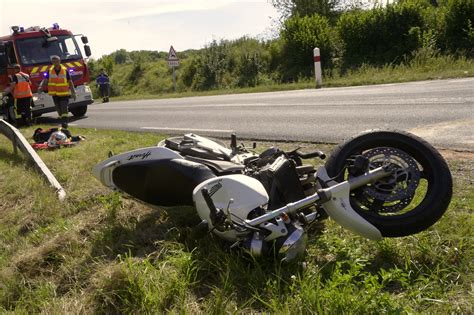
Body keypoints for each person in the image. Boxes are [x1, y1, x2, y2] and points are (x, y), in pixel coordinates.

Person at [38, 55, 76, 128]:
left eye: (57, 61)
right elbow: (45, 80)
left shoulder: (65, 70)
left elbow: (70, 82)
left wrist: (73, 92)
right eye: (54, 61)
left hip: (64, 93)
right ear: (52, 62)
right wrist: (41, 86)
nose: (55, 63)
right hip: (55, 94)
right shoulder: (50, 71)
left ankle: (65, 123)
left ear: (59, 61)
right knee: (59, 110)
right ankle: (63, 121)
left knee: (64, 108)